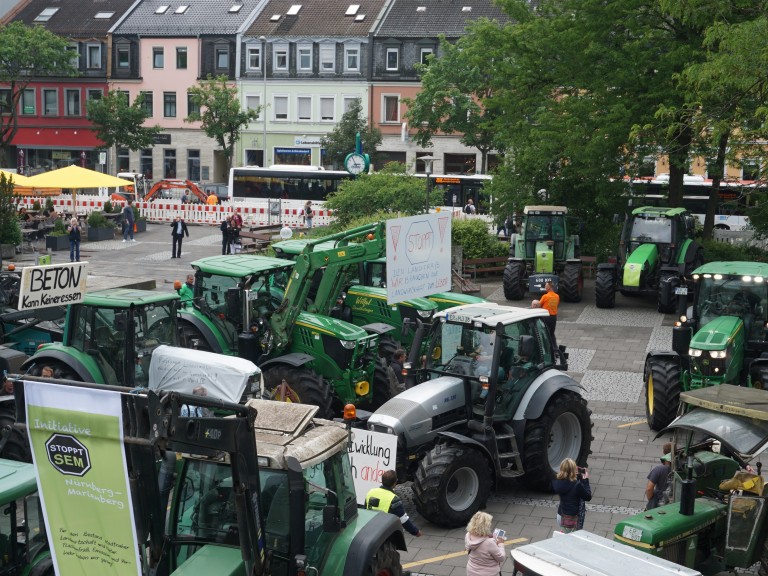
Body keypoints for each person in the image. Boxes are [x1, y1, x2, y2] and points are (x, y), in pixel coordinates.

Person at [365, 470, 422, 538]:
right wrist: (416, 532)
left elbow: (364, 510)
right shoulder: (394, 499)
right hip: (383, 532)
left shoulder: (371, 492)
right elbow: (404, 520)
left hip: (369, 530)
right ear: (394, 483)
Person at [552, 458, 591, 533]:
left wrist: (573, 473)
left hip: (561, 516)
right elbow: (588, 496)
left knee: (564, 536)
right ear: (573, 470)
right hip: (571, 520)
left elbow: (567, 482)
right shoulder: (577, 485)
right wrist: (585, 480)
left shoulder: (556, 482)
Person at [464, 511, 506, 576]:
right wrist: (500, 544)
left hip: (471, 571)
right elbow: (501, 558)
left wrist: (486, 536)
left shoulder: (468, 535)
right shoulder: (489, 543)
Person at [645, 442, 673, 510]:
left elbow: (649, 489)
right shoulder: (680, 468)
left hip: (658, 502)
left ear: (663, 451)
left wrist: (651, 499)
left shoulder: (659, 469)